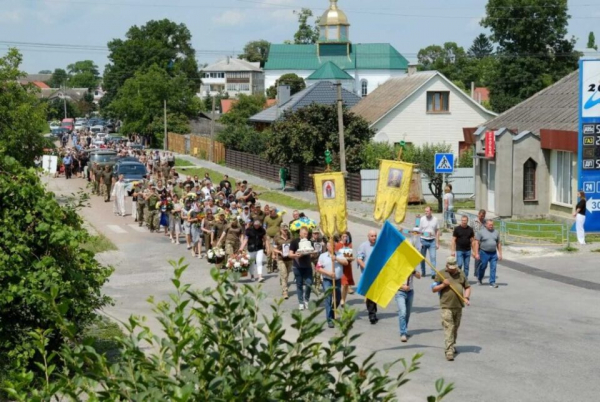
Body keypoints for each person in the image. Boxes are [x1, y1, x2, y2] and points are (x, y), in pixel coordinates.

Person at [431, 257, 471, 361]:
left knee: (455, 327)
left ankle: (452, 345)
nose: (453, 270)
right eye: (451, 268)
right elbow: (434, 289)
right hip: (446, 305)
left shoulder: (461, 273)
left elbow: (467, 287)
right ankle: (449, 351)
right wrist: (443, 285)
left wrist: (466, 297)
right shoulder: (441, 274)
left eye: (454, 268)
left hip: (458, 305)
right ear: (447, 266)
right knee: (449, 327)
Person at [316, 241, 347, 328]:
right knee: (328, 298)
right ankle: (329, 319)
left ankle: (332, 313)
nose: (333, 247)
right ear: (327, 246)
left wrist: (336, 258)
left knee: (337, 298)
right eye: (331, 245)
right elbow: (318, 268)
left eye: (334, 245)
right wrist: (328, 273)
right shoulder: (323, 256)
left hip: (337, 280)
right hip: (327, 280)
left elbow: (346, 263)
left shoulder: (339, 254)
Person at [289, 227, 314, 310]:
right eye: (304, 234)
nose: (305, 235)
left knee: (309, 283)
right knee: (299, 284)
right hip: (297, 266)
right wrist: (296, 255)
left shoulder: (309, 242)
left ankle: (306, 300)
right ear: (300, 233)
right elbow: (290, 254)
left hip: (307, 266)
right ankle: (301, 302)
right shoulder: (295, 242)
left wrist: (312, 254)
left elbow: (312, 253)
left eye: (306, 234)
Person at [357, 230, 379, 324]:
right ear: (368, 236)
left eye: (375, 236)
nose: (374, 238)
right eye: (372, 236)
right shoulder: (363, 246)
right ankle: (372, 315)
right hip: (367, 274)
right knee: (370, 294)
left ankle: (374, 311)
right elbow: (359, 259)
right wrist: (367, 269)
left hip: (377, 274)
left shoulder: (378, 245)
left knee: (375, 294)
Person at [395, 266, 421, 342]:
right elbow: (392, 281)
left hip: (410, 292)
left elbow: (419, 276)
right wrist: (402, 286)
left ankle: (405, 329)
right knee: (402, 312)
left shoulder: (411, 266)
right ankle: (403, 333)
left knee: (407, 313)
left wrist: (413, 271)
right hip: (400, 292)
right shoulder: (397, 267)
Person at [474, 220, 502, 288]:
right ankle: (480, 278)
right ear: (486, 225)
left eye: (492, 225)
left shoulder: (496, 232)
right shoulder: (481, 232)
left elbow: (498, 243)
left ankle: (492, 282)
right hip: (484, 252)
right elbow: (476, 243)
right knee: (483, 266)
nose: (491, 226)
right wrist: (476, 253)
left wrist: (500, 253)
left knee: (493, 267)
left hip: (493, 253)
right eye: (489, 225)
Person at [418, 206, 440, 278]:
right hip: (423, 240)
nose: (426, 212)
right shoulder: (422, 219)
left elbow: (437, 231)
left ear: (431, 211)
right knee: (422, 258)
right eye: (425, 211)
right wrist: (419, 242)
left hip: (432, 241)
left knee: (433, 257)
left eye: (427, 211)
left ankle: (433, 273)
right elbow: (419, 231)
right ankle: (423, 271)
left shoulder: (435, 219)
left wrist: (437, 242)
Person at [273, 227, 293, 299]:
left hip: (289, 259)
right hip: (281, 259)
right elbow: (274, 248)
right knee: (284, 274)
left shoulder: (290, 238)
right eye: (284, 230)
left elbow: (293, 247)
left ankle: (283, 282)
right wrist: (279, 252)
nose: (285, 231)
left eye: (286, 230)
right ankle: (285, 291)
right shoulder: (277, 238)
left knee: (286, 274)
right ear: (281, 230)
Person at [335, 232, 354, 307]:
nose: (345, 238)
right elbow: (335, 256)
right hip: (340, 266)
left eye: (346, 236)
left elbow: (351, 256)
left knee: (346, 284)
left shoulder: (349, 245)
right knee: (340, 283)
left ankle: (343, 299)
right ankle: (339, 297)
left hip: (347, 267)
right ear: (341, 237)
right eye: (344, 236)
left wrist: (351, 258)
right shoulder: (337, 246)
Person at [471, 209, 486, 278]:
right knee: (476, 256)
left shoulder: (485, 222)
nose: (482, 217)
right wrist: (472, 241)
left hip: (483, 242)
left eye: (483, 216)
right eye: (481, 216)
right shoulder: (473, 221)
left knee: (482, 257)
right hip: (475, 241)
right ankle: (476, 272)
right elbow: (470, 231)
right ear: (478, 214)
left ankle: (479, 271)